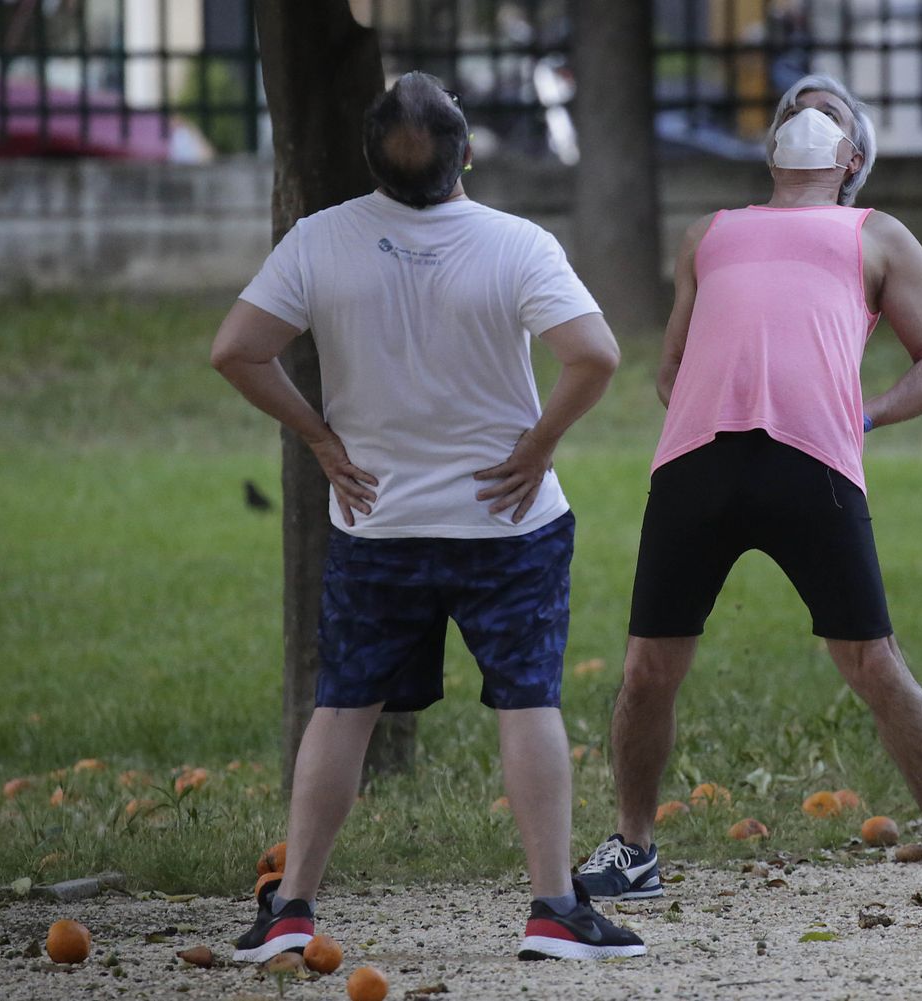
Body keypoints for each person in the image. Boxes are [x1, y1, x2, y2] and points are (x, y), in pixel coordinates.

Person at [211, 71, 645, 962]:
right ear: (468, 156)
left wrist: (320, 440)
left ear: (372, 158)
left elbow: (236, 350)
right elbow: (594, 356)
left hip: (376, 523)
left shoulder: (317, 241)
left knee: (343, 709)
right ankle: (554, 909)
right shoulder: (518, 244)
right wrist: (539, 445)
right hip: (510, 522)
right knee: (528, 700)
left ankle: (290, 909)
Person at [575, 73, 922, 903]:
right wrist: (717, 402)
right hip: (697, 462)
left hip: (815, 462)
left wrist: (861, 417)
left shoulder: (876, 236)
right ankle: (634, 846)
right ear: (772, 144)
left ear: (853, 156)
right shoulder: (711, 233)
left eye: (830, 111)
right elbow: (669, 366)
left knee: (871, 659)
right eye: (794, 108)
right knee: (646, 668)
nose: (807, 113)